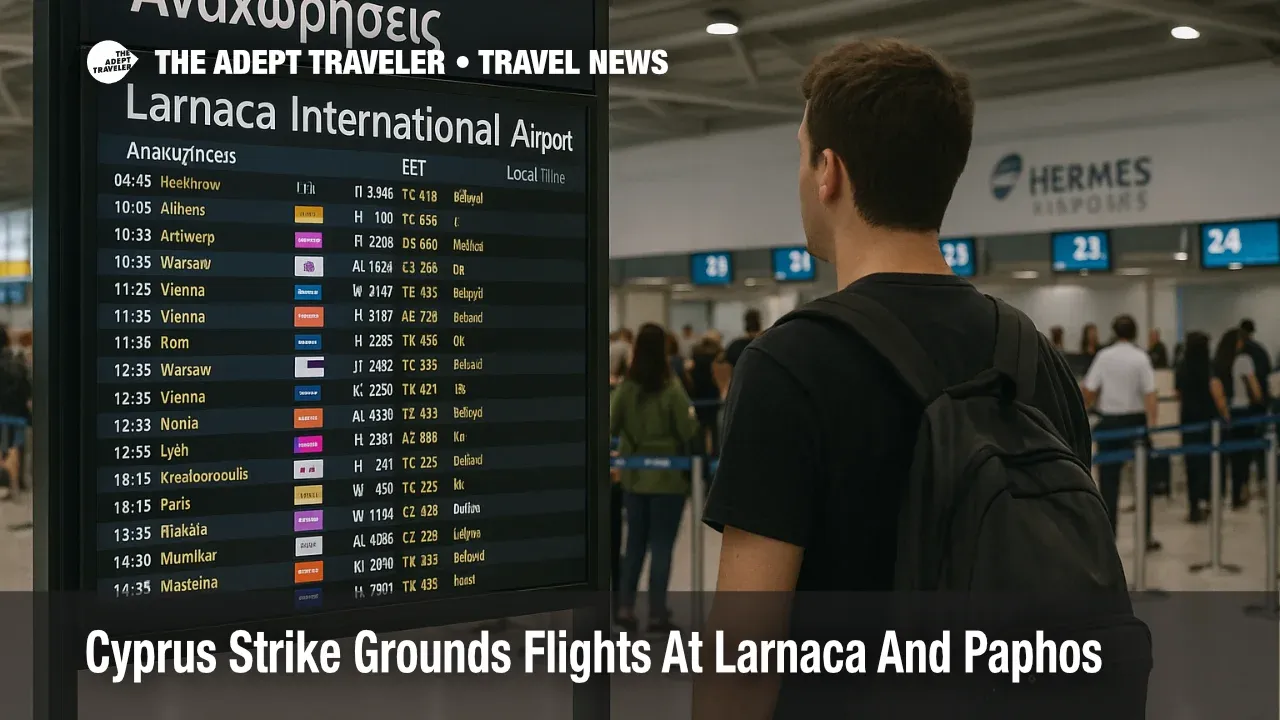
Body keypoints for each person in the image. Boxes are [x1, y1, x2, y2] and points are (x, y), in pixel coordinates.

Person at [696, 39, 1106, 720]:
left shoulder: (787, 365)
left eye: (802, 155)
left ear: (829, 172)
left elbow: (742, 668)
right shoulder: (1035, 357)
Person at [609, 323, 700, 634]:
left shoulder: (627, 387)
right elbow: (688, 430)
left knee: (634, 544)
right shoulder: (671, 387)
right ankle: (658, 613)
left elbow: (610, 423)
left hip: (634, 479)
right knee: (661, 546)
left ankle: (625, 608)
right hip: (669, 481)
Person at [1082, 314, 1160, 549]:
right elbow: (1150, 394)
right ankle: (1145, 536)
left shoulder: (1104, 356)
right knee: (1143, 482)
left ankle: (1109, 536)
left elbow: (1089, 390)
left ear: (1115, 332)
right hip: (1135, 424)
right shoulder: (1141, 357)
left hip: (1110, 424)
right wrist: (1152, 426)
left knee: (1108, 483)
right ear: (1135, 333)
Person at [1213, 328, 1262, 508]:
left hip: (1224, 412)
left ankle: (1222, 494)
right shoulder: (1244, 360)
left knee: (1227, 455)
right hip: (1243, 411)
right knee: (1243, 456)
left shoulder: (1218, 363)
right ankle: (1238, 493)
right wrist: (1259, 400)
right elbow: (1253, 386)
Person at [1175, 332, 1221, 523]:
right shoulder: (1209, 366)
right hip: (1208, 418)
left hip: (1188, 419)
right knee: (1209, 462)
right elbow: (1216, 390)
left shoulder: (1182, 367)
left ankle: (1194, 505)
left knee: (1191, 463)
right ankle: (1208, 500)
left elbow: (1177, 392)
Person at [1239, 319, 1271, 472]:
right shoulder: (1261, 350)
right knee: (1259, 440)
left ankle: (1245, 474)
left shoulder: (1241, 352)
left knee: (1243, 442)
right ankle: (1262, 473)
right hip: (1261, 402)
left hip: (1245, 404)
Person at [688, 333, 725, 455]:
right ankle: (715, 455)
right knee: (714, 428)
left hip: (697, 394)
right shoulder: (715, 356)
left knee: (700, 429)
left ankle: (700, 456)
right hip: (711, 394)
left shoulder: (696, 355)